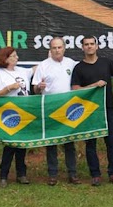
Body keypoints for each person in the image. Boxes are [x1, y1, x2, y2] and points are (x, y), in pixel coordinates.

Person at [71, 36, 113, 186]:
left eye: (92, 44)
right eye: (86, 44)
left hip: (108, 108)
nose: (89, 47)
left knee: (111, 142)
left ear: (97, 46)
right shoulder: (79, 68)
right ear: (82, 48)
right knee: (91, 143)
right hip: (89, 111)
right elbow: (75, 89)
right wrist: (94, 85)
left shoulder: (107, 63)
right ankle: (95, 174)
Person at [32, 37, 80, 186]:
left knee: (69, 142)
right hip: (50, 108)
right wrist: (39, 87)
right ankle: (52, 174)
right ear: (50, 49)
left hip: (68, 109)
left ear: (64, 48)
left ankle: (72, 173)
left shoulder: (71, 64)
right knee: (51, 142)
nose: (57, 50)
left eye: (59, 47)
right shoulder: (43, 66)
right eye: (54, 48)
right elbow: (34, 89)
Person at [0, 46, 35, 187]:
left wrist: (49, 58)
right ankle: (3, 175)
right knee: (10, 145)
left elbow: (36, 69)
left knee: (22, 145)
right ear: (6, 58)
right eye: (14, 56)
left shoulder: (23, 71)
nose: (17, 58)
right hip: (9, 113)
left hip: (24, 112)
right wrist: (9, 88)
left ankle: (21, 174)